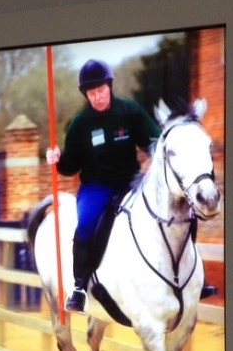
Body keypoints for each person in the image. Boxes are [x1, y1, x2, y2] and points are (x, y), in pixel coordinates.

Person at [47, 59, 160, 313]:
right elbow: (70, 166)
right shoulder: (80, 123)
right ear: (86, 94)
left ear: (109, 86)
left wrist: (163, 148)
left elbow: (154, 140)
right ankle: (79, 286)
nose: (97, 96)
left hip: (131, 183)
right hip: (96, 187)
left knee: (167, 211)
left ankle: (184, 279)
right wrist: (58, 160)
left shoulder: (129, 111)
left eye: (101, 89)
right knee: (86, 223)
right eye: (91, 92)